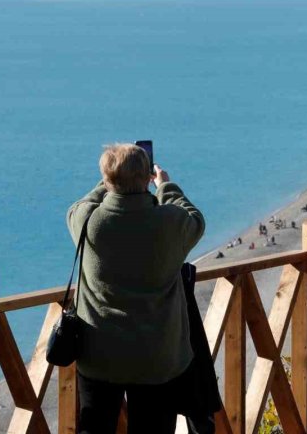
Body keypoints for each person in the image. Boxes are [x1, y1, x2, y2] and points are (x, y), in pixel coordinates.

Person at [67, 143, 205, 434]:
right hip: (157, 356)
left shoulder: (89, 222)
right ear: (147, 179)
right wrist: (166, 186)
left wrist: (110, 183)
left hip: (99, 354)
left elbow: (78, 207)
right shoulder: (169, 222)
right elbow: (196, 220)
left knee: (94, 429)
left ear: (106, 181)